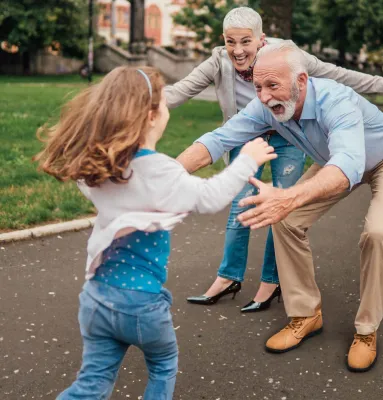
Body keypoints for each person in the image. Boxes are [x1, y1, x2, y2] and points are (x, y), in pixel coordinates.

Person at [34, 66, 276, 399]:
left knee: (92, 383)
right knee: (162, 365)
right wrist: (247, 159)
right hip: (142, 305)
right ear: (150, 116)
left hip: (96, 300)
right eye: (163, 104)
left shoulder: (97, 167)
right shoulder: (159, 170)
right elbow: (210, 197)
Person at [177, 41, 383, 372]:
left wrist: (289, 196)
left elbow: (349, 164)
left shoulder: (335, 100)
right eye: (257, 87)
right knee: (285, 220)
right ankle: (306, 314)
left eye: (272, 85)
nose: (265, 97)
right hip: (332, 161)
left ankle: (366, 332)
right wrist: (167, 176)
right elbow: (219, 139)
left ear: (301, 81)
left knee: (378, 233)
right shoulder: (265, 107)